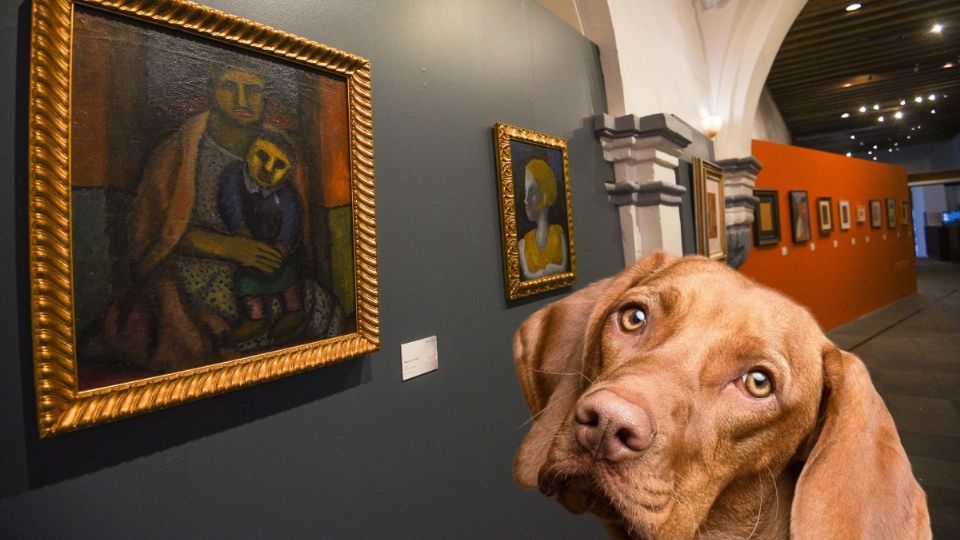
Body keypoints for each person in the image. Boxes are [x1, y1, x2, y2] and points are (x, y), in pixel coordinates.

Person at [104, 67, 341, 373]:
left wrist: (276, 252)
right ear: (212, 91)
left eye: (253, 91)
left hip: (270, 267)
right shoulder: (179, 151)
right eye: (231, 87)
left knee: (316, 304)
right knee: (218, 319)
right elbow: (160, 233)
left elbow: (293, 221)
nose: (242, 99)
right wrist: (230, 248)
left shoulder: (280, 150)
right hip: (199, 267)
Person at [218, 129, 305, 342]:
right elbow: (230, 205)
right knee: (246, 282)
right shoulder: (232, 176)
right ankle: (256, 318)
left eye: (278, 165)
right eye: (262, 156)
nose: (267, 169)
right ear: (248, 153)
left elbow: (291, 223)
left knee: (288, 279)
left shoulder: (287, 194)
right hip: (247, 245)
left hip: (279, 250)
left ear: (287, 173)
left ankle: (294, 311)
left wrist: (282, 248)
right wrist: (241, 235)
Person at [518, 158, 568, 280]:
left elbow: (564, 268)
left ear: (546, 194)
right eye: (526, 192)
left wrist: (554, 269)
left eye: (532, 191)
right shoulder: (523, 244)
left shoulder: (558, 233)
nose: (526, 200)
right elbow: (527, 274)